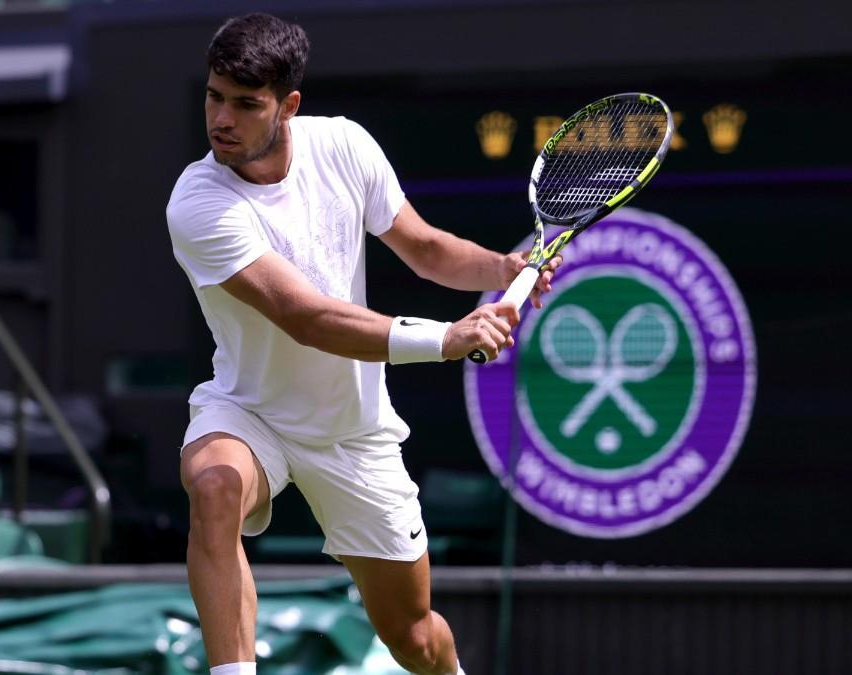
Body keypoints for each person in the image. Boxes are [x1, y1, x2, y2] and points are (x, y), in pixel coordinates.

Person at [165, 13, 562, 675]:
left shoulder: (344, 147)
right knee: (213, 485)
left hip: (353, 430)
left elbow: (426, 248)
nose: (221, 119)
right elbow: (306, 316)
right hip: (250, 411)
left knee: (414, 637)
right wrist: (449, 338)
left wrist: (502, 269)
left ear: (288, 105)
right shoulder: (198, 202)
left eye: (245, 103)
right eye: (213, 96)